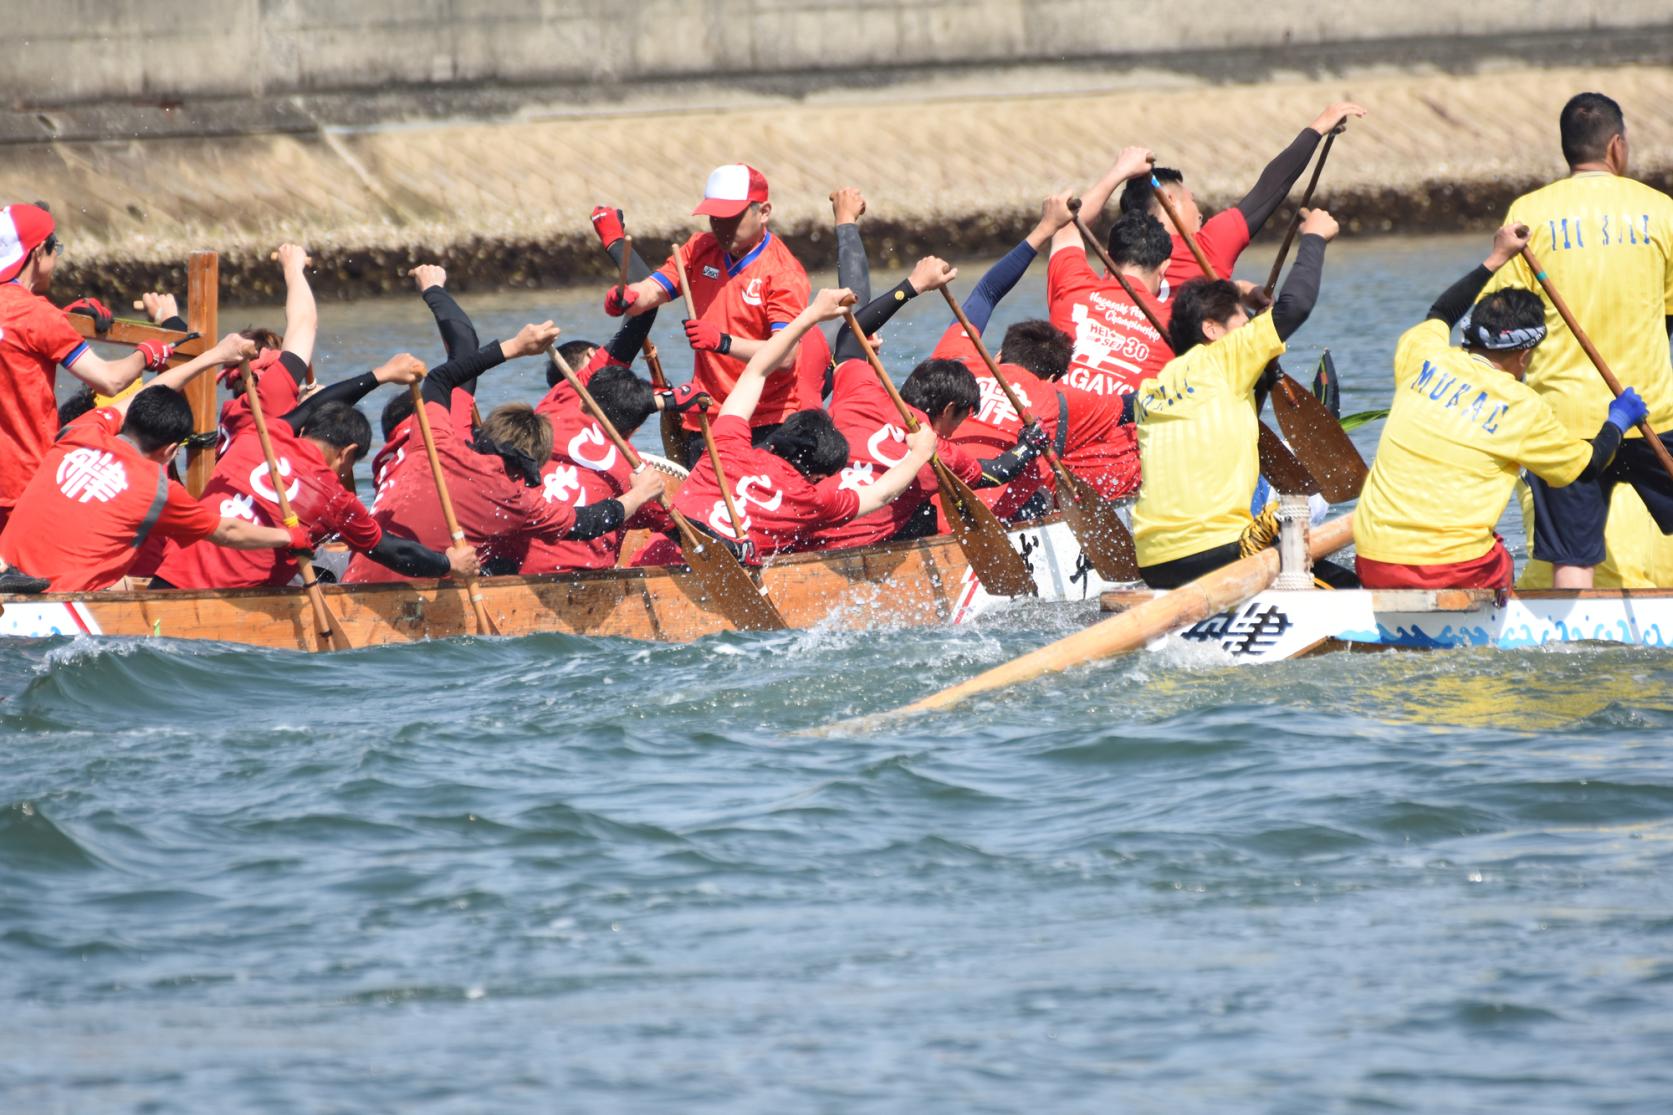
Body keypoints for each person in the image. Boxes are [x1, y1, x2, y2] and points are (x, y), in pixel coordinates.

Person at [1355, 225, 1646, 589]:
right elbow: (1586, 467)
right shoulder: (1523, 407)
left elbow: (1441, 309)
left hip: (1372, 560)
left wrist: (1496, 257)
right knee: (1500, 556)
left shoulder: (1423, 354)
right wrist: (1618, 421)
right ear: (1524, 356)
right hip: (1448, 573)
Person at [149, 332, 548, 589]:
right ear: (348, 455)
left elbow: (319, 404)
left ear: (305, 431)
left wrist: (380, 374)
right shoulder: (334, 501)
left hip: (164, 582)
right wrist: (448, 563)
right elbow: (394, 551)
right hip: (226, 606)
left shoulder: (260, 437)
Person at [1480, 91, 1673, 588]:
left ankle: (1571, 642)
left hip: (1562, 425)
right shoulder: (1661, 210)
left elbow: (1498, 325)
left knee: (1571, 559)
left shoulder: (1528, 212)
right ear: (1617, 147)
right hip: (1651, 415)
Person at [634, 288, 937, 563]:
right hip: (715, 571)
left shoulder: (728, 445)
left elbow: (756, 370)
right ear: (817, 475)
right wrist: (919, 454)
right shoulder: (811, 501)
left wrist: (811, 315)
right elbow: (881, 495)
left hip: (653, 561)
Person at [344, 326, 664, 583]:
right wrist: (640, 495)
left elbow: (441, 378)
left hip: (355, 576)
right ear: (531, 462)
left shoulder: (438, 442)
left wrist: (515, 347)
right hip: (424, 584)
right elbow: (585, 524)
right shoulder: (515, 500)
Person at [1132, 208, 1342, 587]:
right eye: (1243, 325)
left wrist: (1242, 299)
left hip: (1155, 563)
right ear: (1211, 329)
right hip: (1218, 553)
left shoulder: (1152, 388)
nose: (1250, 332)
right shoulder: (1223, 360)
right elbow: (1296, 306)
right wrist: (1313, 239)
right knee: (1349, 586)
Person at [0, 333, 301, 592]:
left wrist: (216, 355)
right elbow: (228, 532)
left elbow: (145, 395)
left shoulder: (82, 431)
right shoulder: (157, 489)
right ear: (171, 450)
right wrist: (288, 536)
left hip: (8, 575)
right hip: (51, 608)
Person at [809, 255, 1048, 550]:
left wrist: (911, 286)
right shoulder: (935, 450)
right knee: (928, 509)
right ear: (948, 410)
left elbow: (850, 334)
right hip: (854, 548)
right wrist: (1030, 444)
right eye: (960, 420)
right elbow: (994, 472)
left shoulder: (863, 390)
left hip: (807, 530)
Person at [599, 167, 817, 455]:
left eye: (732, 218)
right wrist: (628, 297)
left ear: (763, 212)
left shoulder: (783, 272)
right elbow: (654, 290)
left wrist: (722, 342)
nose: (722, 227)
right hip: (706, 417)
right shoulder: (699, 247)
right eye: (715, 217)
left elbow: (786, 356)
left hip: (766, 420)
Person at [0, 203, 170, 530]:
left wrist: (64, 319)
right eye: (56, 248)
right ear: (38, 252)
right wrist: (147, 353)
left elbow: (15, 341)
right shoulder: (38, 316)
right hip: (24, 483)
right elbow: (109, 381)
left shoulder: (40, 317)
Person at [1119, 102, 1366, 290]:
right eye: (1192, 201)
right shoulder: (1206, 246)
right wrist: (1319, 127)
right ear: (1170, 200)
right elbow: (1271, 187)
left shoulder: (1119, 261)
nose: (1201, 213)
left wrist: (1235, 291)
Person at [1050, 147, 1175, 397]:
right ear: (1164, 269)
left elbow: (1066, 225)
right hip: (1126, 431)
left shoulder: (1074, 287)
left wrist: (1121, 170)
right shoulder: (1175, 323)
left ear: (1107, 260)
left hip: (1056, 429)